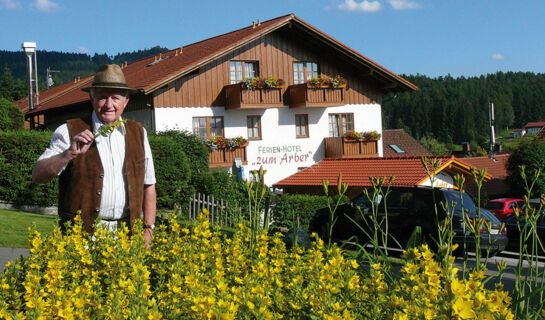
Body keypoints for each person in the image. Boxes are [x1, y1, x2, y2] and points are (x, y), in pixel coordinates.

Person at [32, 64, 156, 244]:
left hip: (127, 236)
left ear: (126, 101)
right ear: (91, 99)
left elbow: (148, 184)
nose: (109, 104)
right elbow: (38, 175)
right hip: (81, 239)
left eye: (115, 98)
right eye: (102, 97)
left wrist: (148, 228)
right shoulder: (69, 131)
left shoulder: (139, 133)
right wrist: (68, 154)